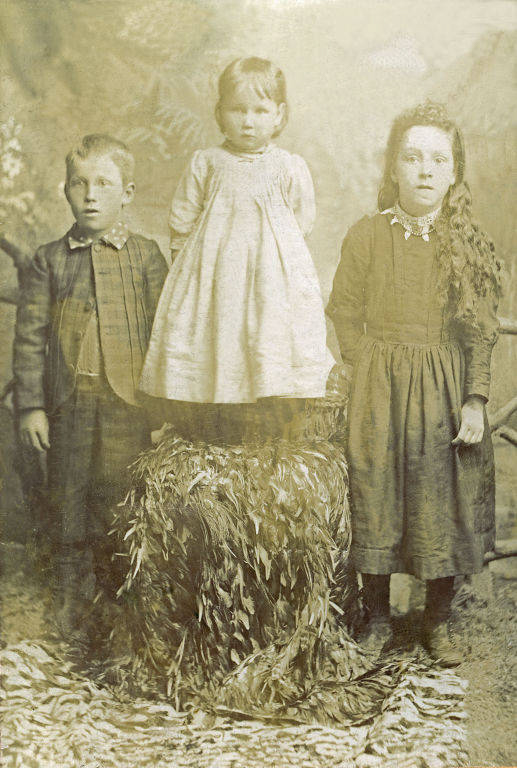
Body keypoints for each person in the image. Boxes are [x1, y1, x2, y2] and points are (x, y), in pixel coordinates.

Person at [327, 102, 503, 666]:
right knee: (375, 495)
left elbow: (479, 332)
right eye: (412, 157)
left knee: (441, 498)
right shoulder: (367, 235)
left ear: (454, 173)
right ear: (393, 168)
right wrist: (364, 366)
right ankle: (378, 618)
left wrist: (474, 400)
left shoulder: (466, 244)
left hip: (444, 392)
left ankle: (437, 621)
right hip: (379, 391)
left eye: (438, 159)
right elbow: (343, 310)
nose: (425, 170)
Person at [13, 134, 168, 639]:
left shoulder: (146, 257)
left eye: (104, 184)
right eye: (80, 184)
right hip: (68, 402)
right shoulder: (48, 260)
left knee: (119, 498)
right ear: (65, 191)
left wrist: (165, 409)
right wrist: (32, 407)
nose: (91, 195)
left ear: (128, 193)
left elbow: (164, 336)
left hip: (129, 405)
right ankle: (68, 602)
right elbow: (30, 338)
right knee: (68, 498)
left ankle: (120, 607)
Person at [140, 57, 333, 443]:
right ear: (220, 113)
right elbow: (182, 221)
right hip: (216, 280)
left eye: (260, 111)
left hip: (270, 283)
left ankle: (264, 432)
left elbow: (300, 223)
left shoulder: (289, 167)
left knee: (268, 343)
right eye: (238, 110)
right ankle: (212, 427)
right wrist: (191, 279)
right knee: (218, 343)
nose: (249, 121)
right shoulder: (207, 163)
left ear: (279, 116)